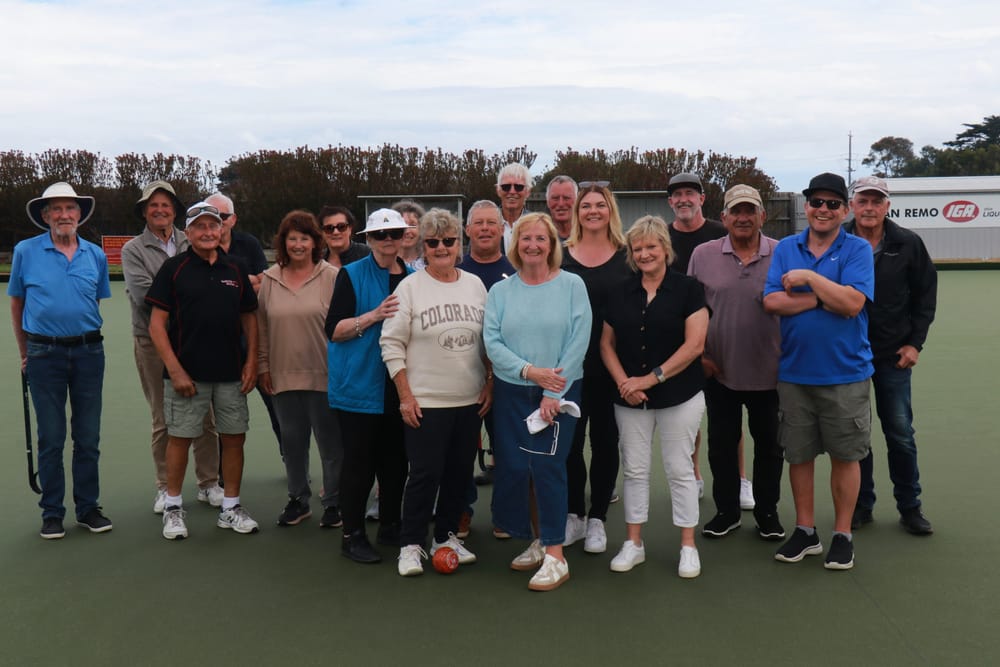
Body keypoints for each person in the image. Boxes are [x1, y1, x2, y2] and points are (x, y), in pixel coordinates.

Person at [763, 172, 874, 570]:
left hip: (845, 374)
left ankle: (842, 535)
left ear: (845, 211)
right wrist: (823, 298)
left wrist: (810, 279)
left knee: (846, 457)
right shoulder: (786, 248)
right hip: (794, 373)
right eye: (816, 202)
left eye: (832, 204)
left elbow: (853, 304)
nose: (823, 209)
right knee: (799, 456)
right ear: (806, 206)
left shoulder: (857, 248)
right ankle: (806, 531)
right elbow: (772, 301)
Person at [484, 212, 590, 592]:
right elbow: (492, 342)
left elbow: (579, 340)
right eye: (526, 238)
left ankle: (556, 556)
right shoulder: (500, 292)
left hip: (559, 392)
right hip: (513, 392)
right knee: (518, 468)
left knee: (547, 468)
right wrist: (531, 372)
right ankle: (541, 539)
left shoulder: (572, 285)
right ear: (516, 245)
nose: (533, 245)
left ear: (551, 245)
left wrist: (552, 390)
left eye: (540, 239)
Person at [381, 208, 491, 576]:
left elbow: (489, 341)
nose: (441, 247)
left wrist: (490, 382)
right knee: (425, 474)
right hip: (425, 402)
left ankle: (444, 537)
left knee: (459, 474)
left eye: (448, 240)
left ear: (460, 244)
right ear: (423, 247)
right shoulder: (409, 287)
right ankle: (410, 544)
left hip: (469, 400)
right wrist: (405, 396)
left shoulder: (475, 285)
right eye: (433, 242)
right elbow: (391, 343)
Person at [600, 215, 708, 577]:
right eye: (638, 248)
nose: (644, 254)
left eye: (651, 246)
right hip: (630, 399)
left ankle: (688, 546)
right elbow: (606, 344)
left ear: (665, 248)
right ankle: (634, 543)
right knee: (634, 469)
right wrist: (625, 384)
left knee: (679, 468)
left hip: (680, 395)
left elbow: (695, 345)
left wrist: (648, 379)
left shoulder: (689, 289)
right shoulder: (620, 291)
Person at [146, 202, 260, 540]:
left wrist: (252, 362)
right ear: (189, 232)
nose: (208, 232)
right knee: (180, 438)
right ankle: (173, 507)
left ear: (222, 229)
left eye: (213, 226)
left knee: (234, 438)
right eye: (200, 227)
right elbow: (156, 325)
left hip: (231, 374)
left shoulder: (236, 268)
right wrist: (175, 370)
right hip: (187, 376)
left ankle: (231, 508)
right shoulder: (173, 269)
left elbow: (249, 318)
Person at [9, 182, 113, 539]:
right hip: (43, 354)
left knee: (88, 437)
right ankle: (52, 512)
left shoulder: (95, 255)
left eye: (70, 208)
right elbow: (17, 304)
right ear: (45, 215)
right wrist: (25, 353)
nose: (64, 215)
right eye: (56, 209)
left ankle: (88, 508)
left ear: (79, 214)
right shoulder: (25, 251)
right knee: (51, 437)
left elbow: (93, 301)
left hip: (89, 352)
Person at [688, 185, 785, 541]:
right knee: (721, 445)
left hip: (772, 372)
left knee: (771, 447)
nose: (743, 218)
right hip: (719, 371)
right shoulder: (703, 254)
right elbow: (692, 309)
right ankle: (726, 512)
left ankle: (767, 512)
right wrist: (701, 356)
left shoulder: (783, 252)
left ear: (762, 216)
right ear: (724, 217)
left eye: (750, 211)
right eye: (736, 211)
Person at [122, 180, 222, 515]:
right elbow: (145, 297)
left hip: (195, 341)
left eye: (166, 205)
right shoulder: (133, 249)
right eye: (153, 205)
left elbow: (209, 283)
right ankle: (166, 488)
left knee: (205, 415)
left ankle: (209, 483)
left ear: (175, 211)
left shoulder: (191, 238)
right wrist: (195, 298)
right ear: (144, 211)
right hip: (151, 342)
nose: (160, 210)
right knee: (163, 418)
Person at [844, 176, 937, 535]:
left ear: (887, 206)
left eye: (876, 201)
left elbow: (925, 297)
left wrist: (915, 344)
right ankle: (861, 504)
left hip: (892, 355)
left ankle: (910, 507)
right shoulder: (839, 241)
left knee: (900, 433)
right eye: (863, 201)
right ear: (852, 205)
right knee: (856, 435)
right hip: (849, 356)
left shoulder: (908, 243)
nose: (869, 208)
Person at [325, 208, 413, 564]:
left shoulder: (413, 277)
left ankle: (391, 525)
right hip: (359, 386)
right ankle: (352, 535)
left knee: (396, 463)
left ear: (404, 237)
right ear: (369, 239)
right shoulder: (351, 275)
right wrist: (373, 316)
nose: (388, 240)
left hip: (399, 385)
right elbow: (334, 330)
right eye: (380, 234)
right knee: (359, 465)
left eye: (395, 233)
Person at [257, 210, 343, 528]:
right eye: (292, 238)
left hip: (325, 375)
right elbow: (262, 328)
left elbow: (342, 326)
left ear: (315, 242)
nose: (298, 244)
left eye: (304, 238)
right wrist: (263, 367)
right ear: (283, 242)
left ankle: (334, 502)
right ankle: (298, 499)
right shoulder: (269, 279)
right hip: (282, 376)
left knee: (331, 445)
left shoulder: (332, 276)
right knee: (292, 444)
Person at [560, 182, 631, 554]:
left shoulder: (626, 256)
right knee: (570, 444)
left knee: (605, 442)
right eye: (585, 205)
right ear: (577, 213)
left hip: (612, 367)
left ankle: (598, 517)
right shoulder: (560, 255)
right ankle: (574, 514)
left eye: (600, 205)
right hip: (568, 368)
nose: (592, 211)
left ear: (610, 211)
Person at [666, 172, 730, 501]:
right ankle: (693, 473)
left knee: (727, 416)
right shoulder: (663, 237)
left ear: (702, 199)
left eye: (690, 193)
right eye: (677, 195)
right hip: (678, 343)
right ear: (670, 202)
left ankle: (739, 479)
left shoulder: (722, 233)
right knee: (687, 415)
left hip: (720, 340)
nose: (684, 200)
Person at [208, 192, 282, 455]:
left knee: (274, 400)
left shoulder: (249, 243)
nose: (219, 221)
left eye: (224, 216)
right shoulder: (201, 247)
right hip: (219, 340)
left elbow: (265, 282)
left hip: (254, 335)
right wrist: (246, 282)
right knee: (221, 411)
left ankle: (290, 458)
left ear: (233, 219)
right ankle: (220, 471)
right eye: (213, 216)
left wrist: (229, 284)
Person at [457, 201, 515, 509]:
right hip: (461, 376)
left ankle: (504, 513)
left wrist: (493, 377)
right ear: (467, 229)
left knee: (507, 449)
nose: (484, 229)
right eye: (478, 223)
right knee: (460, 451)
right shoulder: (453, 272)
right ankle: (461, 510)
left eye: (491, 223)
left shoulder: (516, 273)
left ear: (502, 229)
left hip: (505, 378)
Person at [495, 162, 532, 251]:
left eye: (518, 187)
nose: (512, 191)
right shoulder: (486, 225)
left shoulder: (537, 225)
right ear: (498, 190)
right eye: (506, 187)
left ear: (528, 192)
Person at [392, 200, 427, 270]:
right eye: (402, 225)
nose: (407, 231)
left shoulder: (430, 262)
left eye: (413, 225)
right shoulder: (384, 261)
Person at [546, 175, 578, 241]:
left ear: (577, 201)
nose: (561, 204)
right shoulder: (539, 236)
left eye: (566, 198)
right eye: (555, 198)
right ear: (548, 202)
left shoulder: (588, 234)